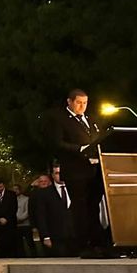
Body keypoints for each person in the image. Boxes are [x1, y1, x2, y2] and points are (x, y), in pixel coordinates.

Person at [45, 89, 108, 256]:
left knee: (93, 206)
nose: (82, 106)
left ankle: (98, 242)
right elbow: (58, 143)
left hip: (95, 170)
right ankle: (83, 243)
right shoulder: (59, 119)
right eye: (79, 103)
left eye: (85, 103)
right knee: (80, 208)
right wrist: (81, 149)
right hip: (76, 171)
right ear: (69, 102)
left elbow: (99, 137)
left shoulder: (91, 119)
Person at [34, 169, 76, 257]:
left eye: (61, 173)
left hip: (76, 235)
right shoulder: (44, 193)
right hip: (56, 237)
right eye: (57, 173)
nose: (60, 175)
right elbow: (41, 216)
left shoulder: (75, 189)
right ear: (52, 175)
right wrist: (45, 236)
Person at [0, 180, 20, 257]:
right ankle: (2, 257)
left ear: (4, 185)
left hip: (10, 223)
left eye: (1, 187)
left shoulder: (11, 194)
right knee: (0, 242)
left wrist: (7, 218)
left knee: (11, 242)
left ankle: (12, 257)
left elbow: (14, 208)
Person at [16, 186, 37, 257]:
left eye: (16, 189)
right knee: (19, 244)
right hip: (17, 225)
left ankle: (34, 256)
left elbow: (28, 211)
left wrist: (20, 218)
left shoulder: (26, 199)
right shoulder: (12, 200)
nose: (15, 191)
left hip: (26, 224)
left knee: (30, 242)